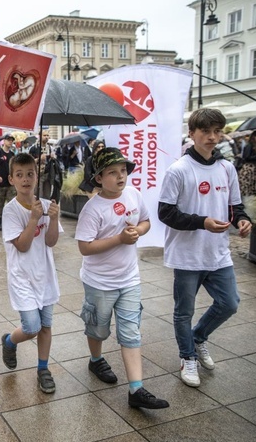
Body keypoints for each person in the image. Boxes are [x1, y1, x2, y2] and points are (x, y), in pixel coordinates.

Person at [158, 108, 252, 388]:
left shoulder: (226, 167)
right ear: (192, 134)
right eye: (206, 132)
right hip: (187, 256)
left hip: (218, 253)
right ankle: (187, 357)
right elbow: (165, 213)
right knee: (183, 312)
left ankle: (197, 338)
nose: (213, 137)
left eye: (217, 131)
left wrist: (244, 221)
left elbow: (235, 207)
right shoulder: (179, 170)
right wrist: (202, 222)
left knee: (229, 303)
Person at [75, 147, 170, 409]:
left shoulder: (133, 194)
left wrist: (137, 230)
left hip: (129, 279)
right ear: (98, 178)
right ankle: (96, 360)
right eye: (113, 172)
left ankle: (136, 389)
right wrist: (119, 238)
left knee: (131, 331)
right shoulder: (93, 209)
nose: (121, 177)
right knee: (98, 328)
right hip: (99, 282)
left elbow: (146, 221)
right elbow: (84, 247)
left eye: (124, 171)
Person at [0, 152, 62, 394]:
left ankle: (43, 369)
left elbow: (51, 241)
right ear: (11, 179)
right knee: (31, 327)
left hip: (45, 276)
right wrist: (34, 218)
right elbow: (23, 245)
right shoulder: (11, 210)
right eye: (19, 175)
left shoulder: (46, 205)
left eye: (30, 174)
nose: (25, 179)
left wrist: (53, 219)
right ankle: (9, 341)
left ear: (37, 176)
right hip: (22, 277)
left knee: (46, 326)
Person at [0, 134, 17, 231]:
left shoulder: (12, 154)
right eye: (9, 140)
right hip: (0, 184)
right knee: (0, 203)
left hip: (10, 183)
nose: (10, 142)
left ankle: (10, 221)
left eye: (11, 140)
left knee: (11, 203)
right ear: (4, 141)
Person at [29, 131, 61, 203]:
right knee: (38, 195)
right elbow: (29, 162)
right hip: (37, 175)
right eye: (44, 135)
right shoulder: (34, 148)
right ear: (40, 136)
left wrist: (53, 157)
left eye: (47, 135)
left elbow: (55, 159)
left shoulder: (50, 148)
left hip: (48, 174)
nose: (46, 137)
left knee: (47, 195)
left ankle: (45, 212)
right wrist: (39, 159)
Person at [238, 130, 256, 198]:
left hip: (255, 167)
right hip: (250, 168)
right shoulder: (249, 145)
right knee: (248, 186)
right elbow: (246, 157)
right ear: (254, 137)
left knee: (254, 187)